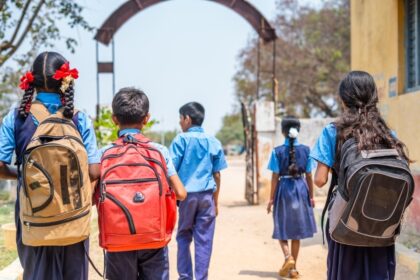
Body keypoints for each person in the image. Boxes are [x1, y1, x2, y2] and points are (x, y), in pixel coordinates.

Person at [0, 51, 101, 280]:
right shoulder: (79, 118)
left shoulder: (15, 117)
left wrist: (25, 174)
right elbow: (95, 171)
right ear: (65, 82)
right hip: (72, 216)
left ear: (31, 80)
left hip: (32, 215)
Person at [310, 71, 411, 280]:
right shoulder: (387, 133)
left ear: (343, 98)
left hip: (346, 222)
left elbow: (319, 181)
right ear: (374, 96)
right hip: (382, 222)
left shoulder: (333, 131)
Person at [98, 87, 187, 280]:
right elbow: (180, 192)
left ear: (114, 119)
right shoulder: (160, 151)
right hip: (153, 238)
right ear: (146, 119)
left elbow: (91, 197)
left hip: (117, 239)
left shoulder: (104, 154)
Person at [169, 102, 227, 280]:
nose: (180, 122)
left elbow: (171, 171)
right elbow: (217, 175)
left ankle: (185, 277)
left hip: (186, 197)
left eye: (181, 118)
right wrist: (215, 202)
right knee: (204, 240)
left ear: (187, 118)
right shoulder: (213, 141)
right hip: (207, 197)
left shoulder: (180, 140)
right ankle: (202, 277)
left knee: (184, 236)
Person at [266, 116, 317, 279]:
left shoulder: (277, 151)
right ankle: (293, 269)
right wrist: (312, 196)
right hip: (301, 189)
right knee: (296, 231)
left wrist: (271, 198)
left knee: (281, 226)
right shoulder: (306, 150)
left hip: (283, 189)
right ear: (298, 130)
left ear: (283, 132)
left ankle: (288, 257)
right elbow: (309, 175)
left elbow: (274, 177)